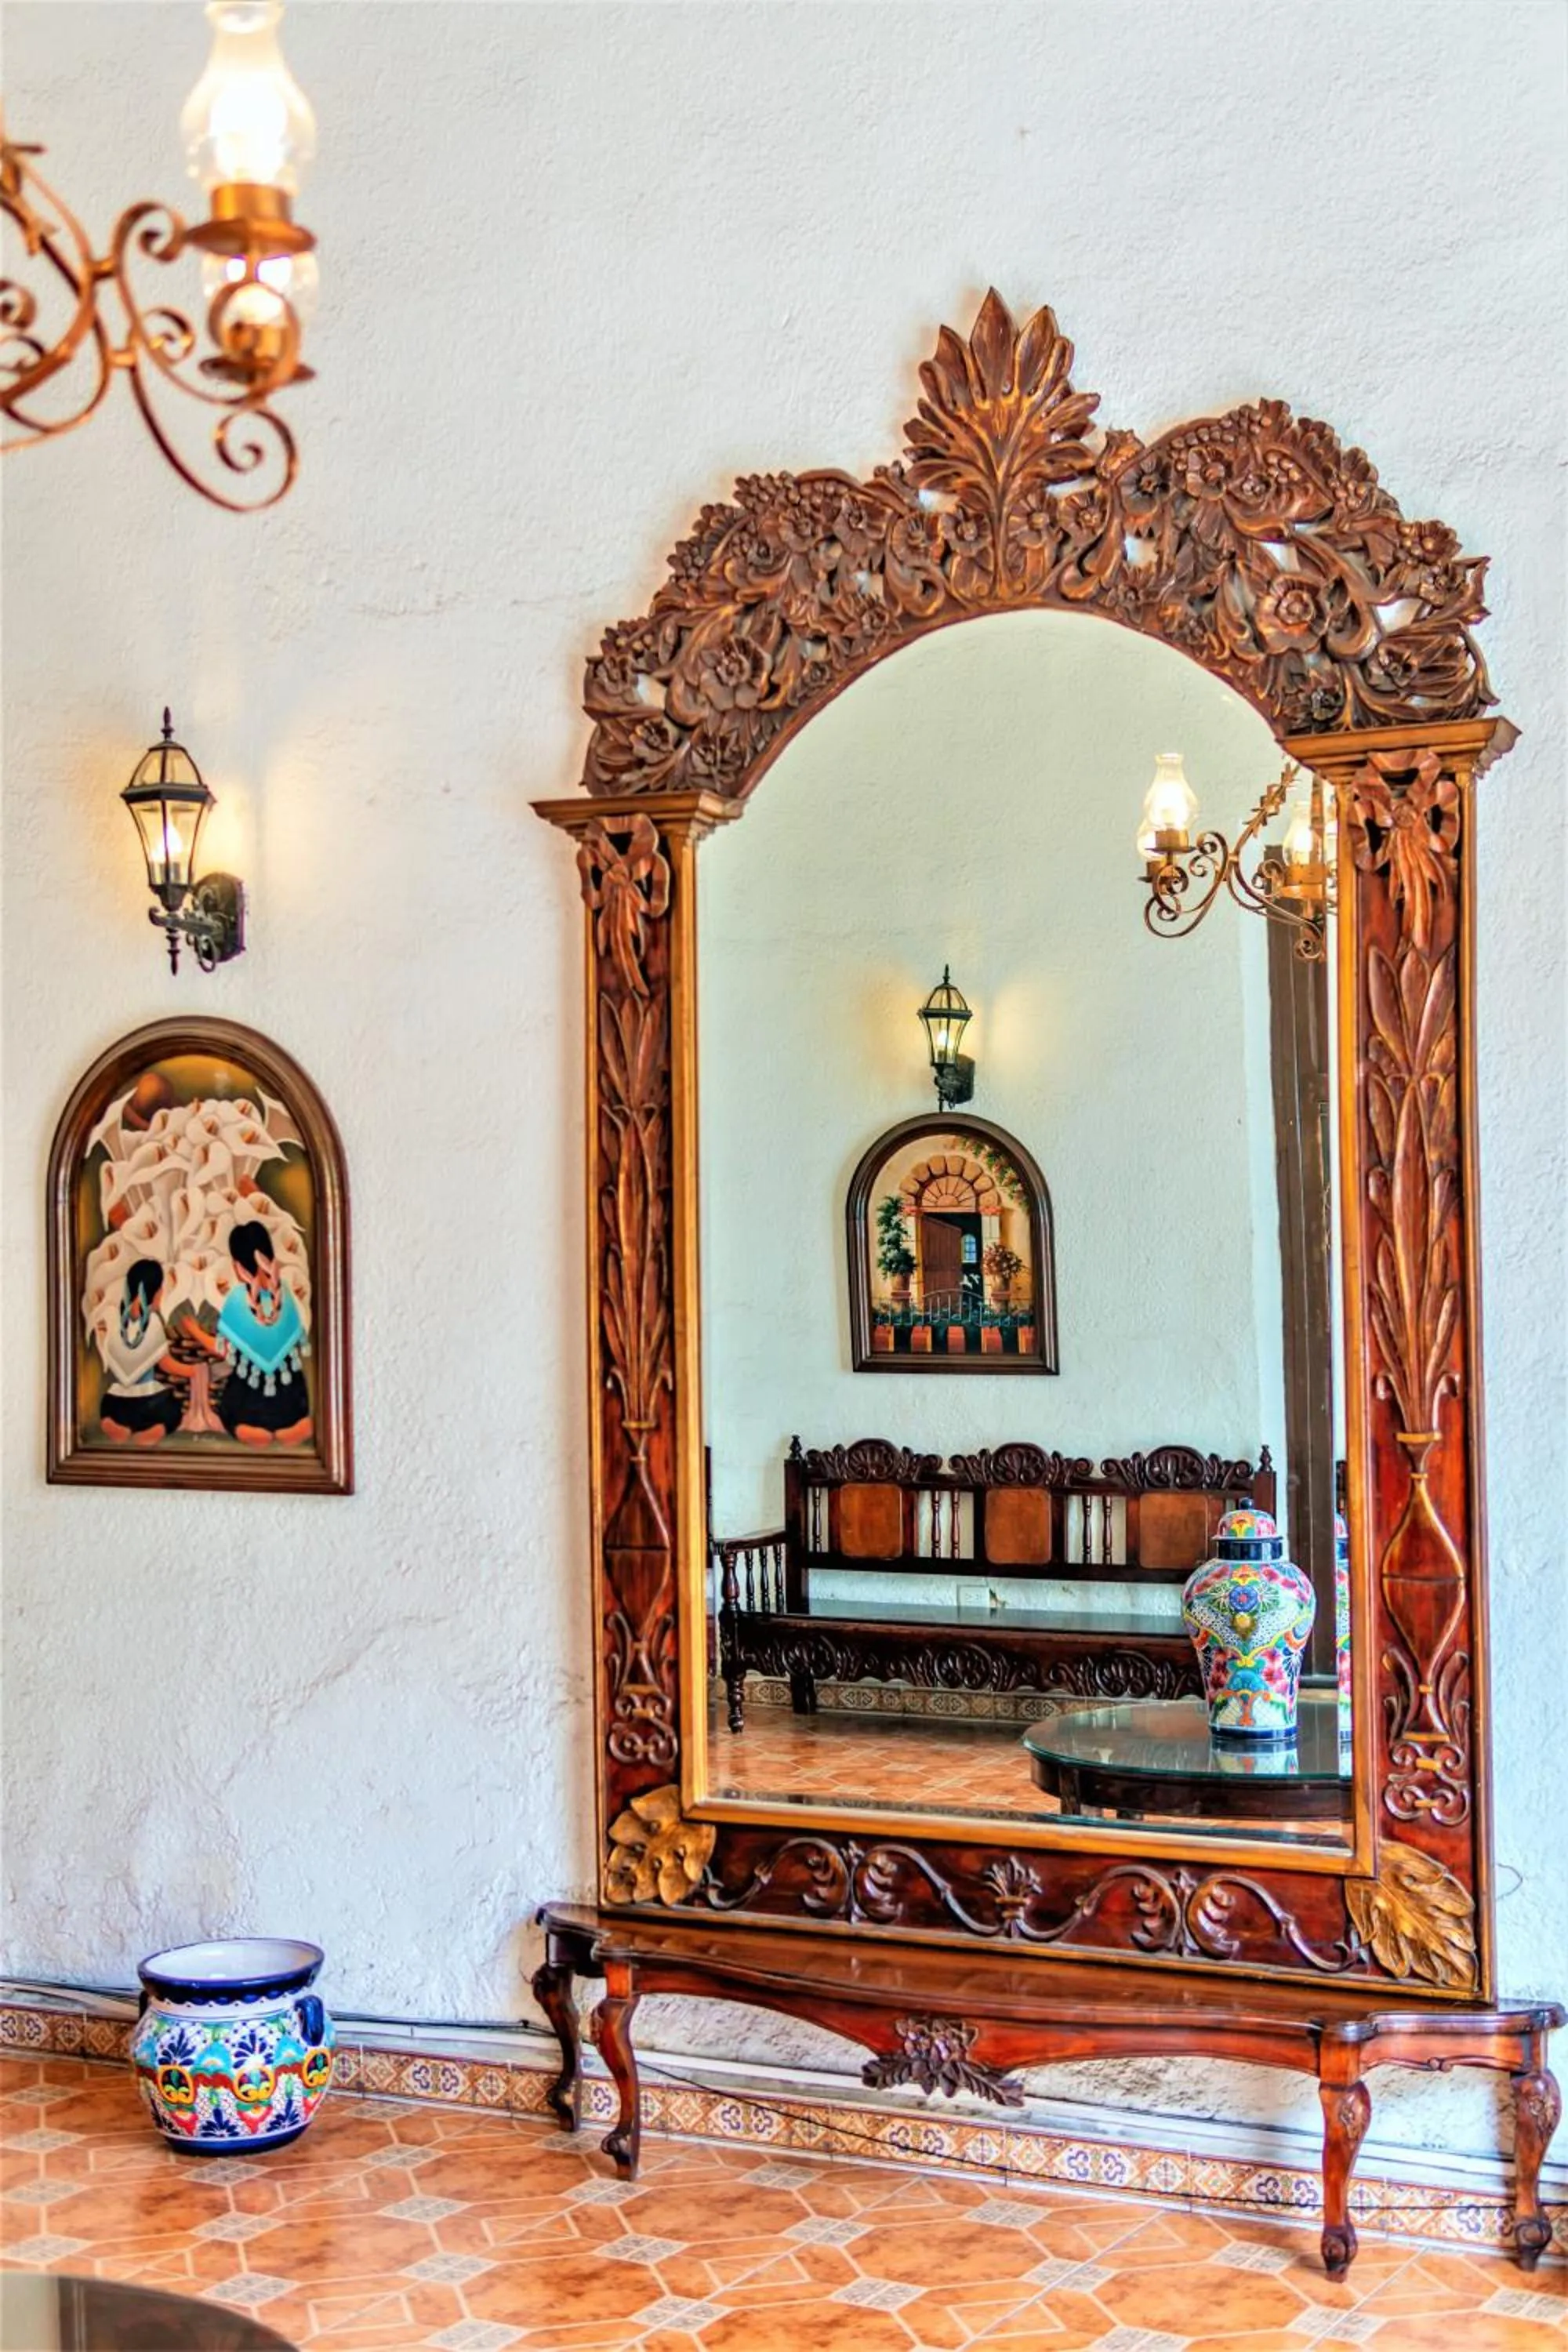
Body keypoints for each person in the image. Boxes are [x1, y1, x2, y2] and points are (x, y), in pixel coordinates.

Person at [182, 1219, 313, 1447]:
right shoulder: (286, 1296)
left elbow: (223, 1350)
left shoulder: (237, 1299)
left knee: (241, 1419)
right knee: (291, 1424)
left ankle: (252, 1431)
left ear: (237, 1265)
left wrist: (194, 1331)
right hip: (291, 1399)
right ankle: (292, 1427)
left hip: (249, 1400)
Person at [97, 1259, 183, 1444]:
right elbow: (166, 1365)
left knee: (108, 1407)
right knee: (173, 1409)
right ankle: (154, 1431)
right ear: (156, 1292)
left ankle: (110, 1422)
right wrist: (193, 1371)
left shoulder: (117, 1322)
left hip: (115, 1403)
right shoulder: (153, 1322)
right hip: (148, 1404)